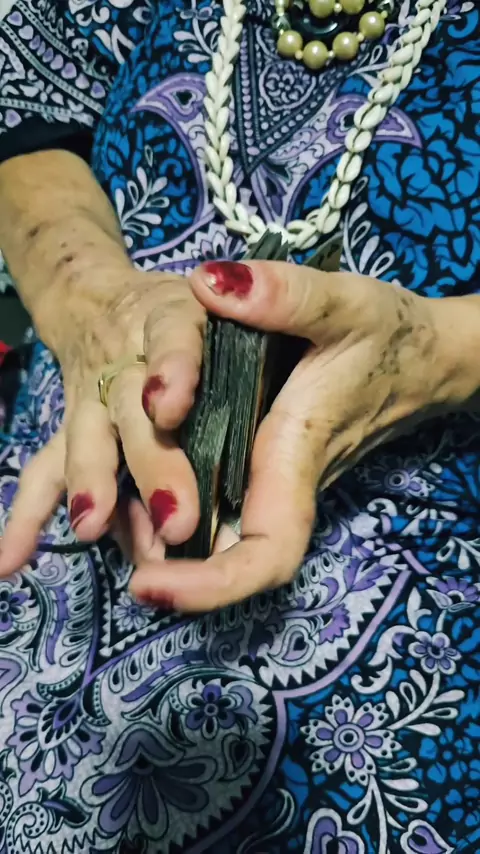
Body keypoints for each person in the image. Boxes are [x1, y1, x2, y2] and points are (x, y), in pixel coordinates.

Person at [0, 0, 479, 850]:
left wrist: (440, 351)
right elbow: (29, 114)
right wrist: (88, 298)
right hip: (60, 497)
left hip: (413, 642)